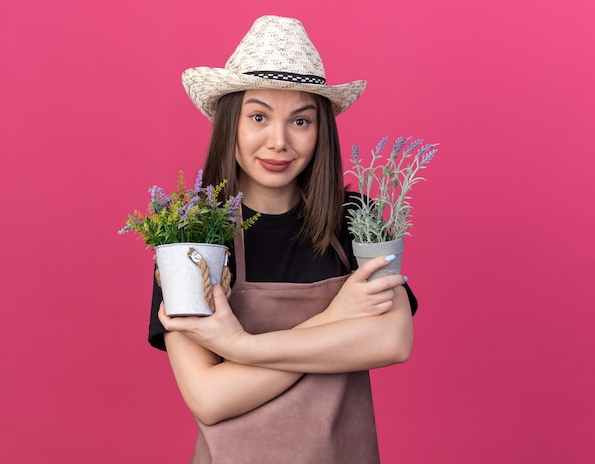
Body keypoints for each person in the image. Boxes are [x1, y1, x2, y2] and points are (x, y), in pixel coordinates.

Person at [147, 15, 417, 463]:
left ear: (321, 131)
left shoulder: (357, 219)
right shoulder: (190, 232)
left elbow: (393, 342)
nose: (279, 141)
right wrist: (338, 317)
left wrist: (241, 348)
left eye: (301, 121)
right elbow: (209, 397)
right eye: (258, 116)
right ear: (229, 123)